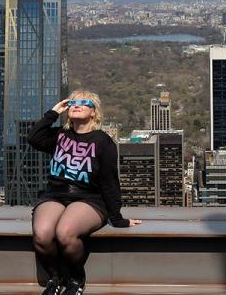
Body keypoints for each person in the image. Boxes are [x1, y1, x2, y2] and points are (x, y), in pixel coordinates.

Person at [28, 90, 141, 295]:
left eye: (83, 102)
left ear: (93, 111)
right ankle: (54, 279)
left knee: (65, 233)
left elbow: (109, 182)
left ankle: (76, 279)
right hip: (55, 195)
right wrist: (54, 112)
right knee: (42, 234)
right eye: (72, 103)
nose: (76, 105)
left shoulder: (103, 142)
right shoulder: (59, 136)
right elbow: (34, 137)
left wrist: (117, 218)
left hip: (88, 198)